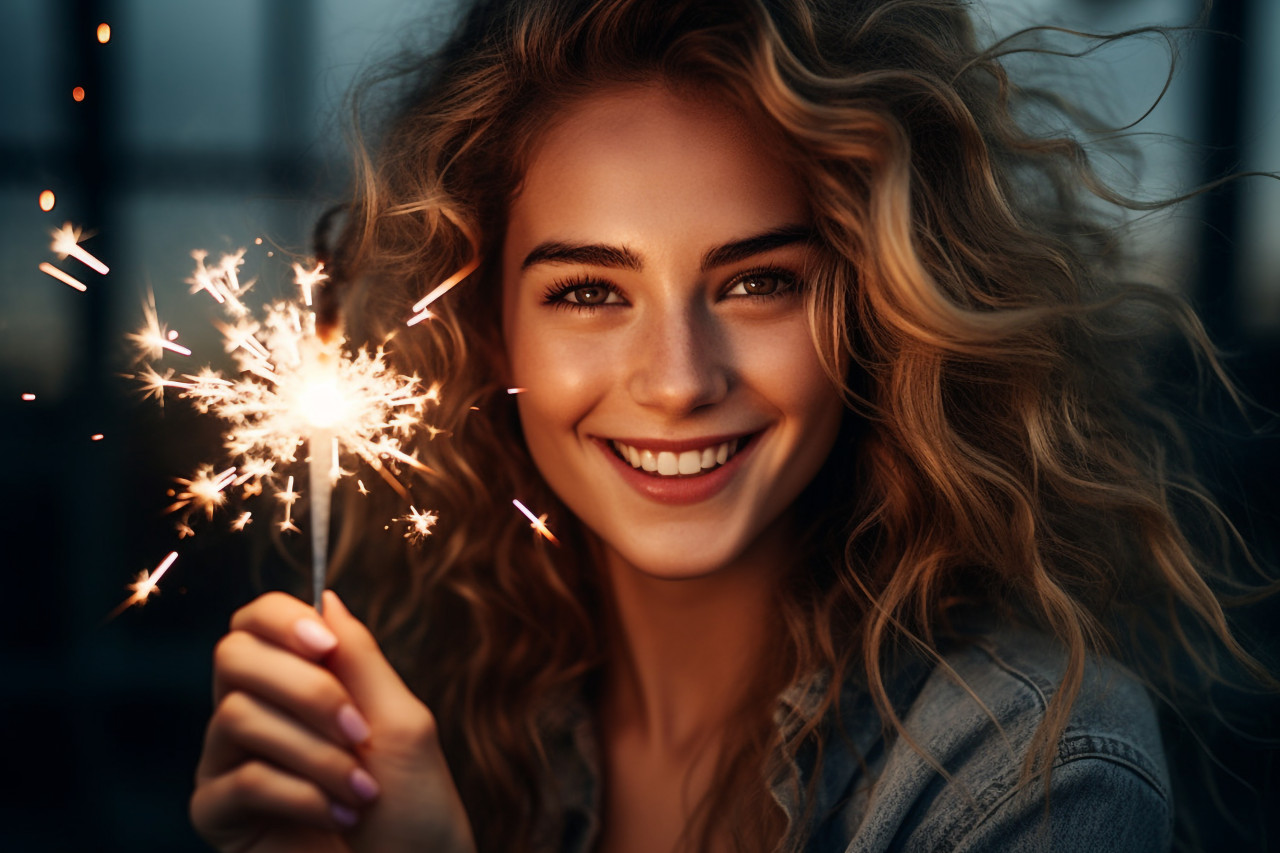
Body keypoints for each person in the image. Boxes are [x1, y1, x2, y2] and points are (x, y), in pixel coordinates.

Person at [188, 1, 1272, 851]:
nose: (675, 381)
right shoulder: (450, 715)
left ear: (877, 306)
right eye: (586, 292)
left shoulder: (1033, 770)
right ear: (488, 333)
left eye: (755, 283)